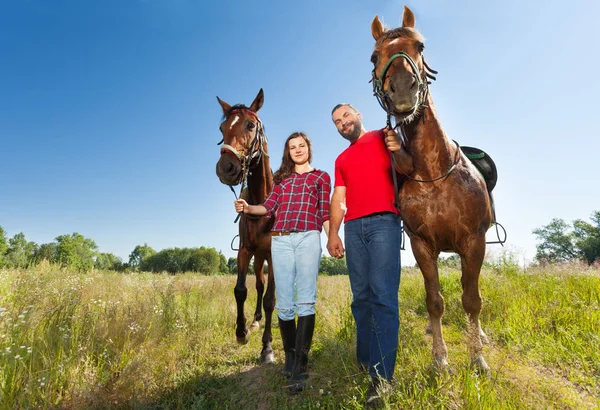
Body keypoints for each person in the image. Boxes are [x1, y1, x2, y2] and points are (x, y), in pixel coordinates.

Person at [326, 104, 413, 407]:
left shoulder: (383, 136)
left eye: (346, 116)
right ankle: (365, 361)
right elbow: (339, 197)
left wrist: (398, 148)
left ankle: (382, 378)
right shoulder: (341, 159)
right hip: (352, 228)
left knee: (383, 298)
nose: (342, 123)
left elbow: (406, 167)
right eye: (337, 122)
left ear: (359, 114)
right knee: (361, 298)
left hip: (384, 224)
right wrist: (333, 232)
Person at [234, 131, 331, 393]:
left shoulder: (321, 177)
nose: (297, 150)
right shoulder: (280, 180)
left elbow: (324, 211)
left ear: (308, 148)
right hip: (281, 241)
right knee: (285, 303)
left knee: (306, 300)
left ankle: (301, 365)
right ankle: (289, 357)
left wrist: (333, 236)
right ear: (287, 152)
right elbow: (268, 207)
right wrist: (247, 207)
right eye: (292, 147)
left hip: (309, 238)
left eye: (301, 146)